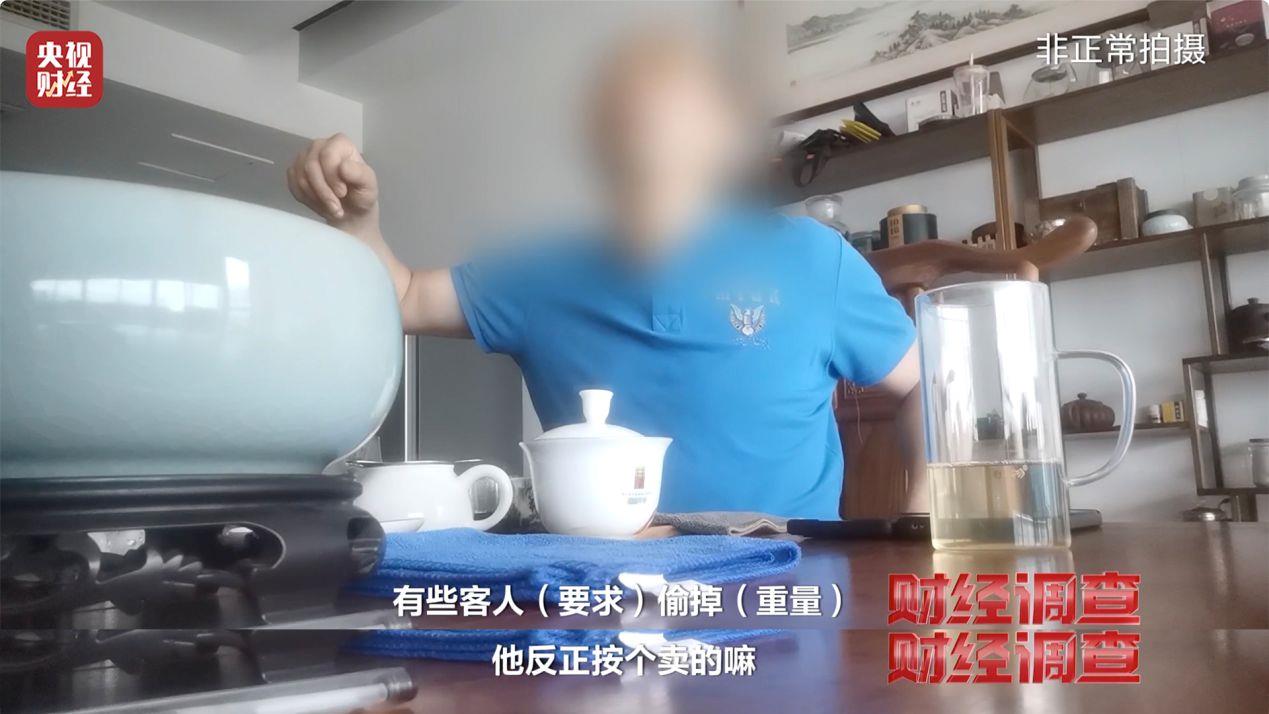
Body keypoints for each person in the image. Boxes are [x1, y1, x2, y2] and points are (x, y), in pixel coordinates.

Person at [287, 32, 923, 519]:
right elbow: (402, 296)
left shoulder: (814, 260)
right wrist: (355, 220)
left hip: (787, 594)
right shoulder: (540, 273)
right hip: (603, 597)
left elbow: (927, 386)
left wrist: (922, 516)